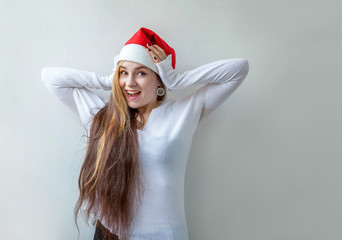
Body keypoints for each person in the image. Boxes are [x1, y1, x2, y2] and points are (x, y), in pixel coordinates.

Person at [41, 27, 249, 240]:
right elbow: (51, 78)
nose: (129, 83)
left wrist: (175, 80)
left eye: (141, 72)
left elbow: (238, 69)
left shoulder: (183, 113)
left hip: (166, 235)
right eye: (124, 73)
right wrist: (108, 80)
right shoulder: (104, 116)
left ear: (159, 79)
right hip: (111, 234)